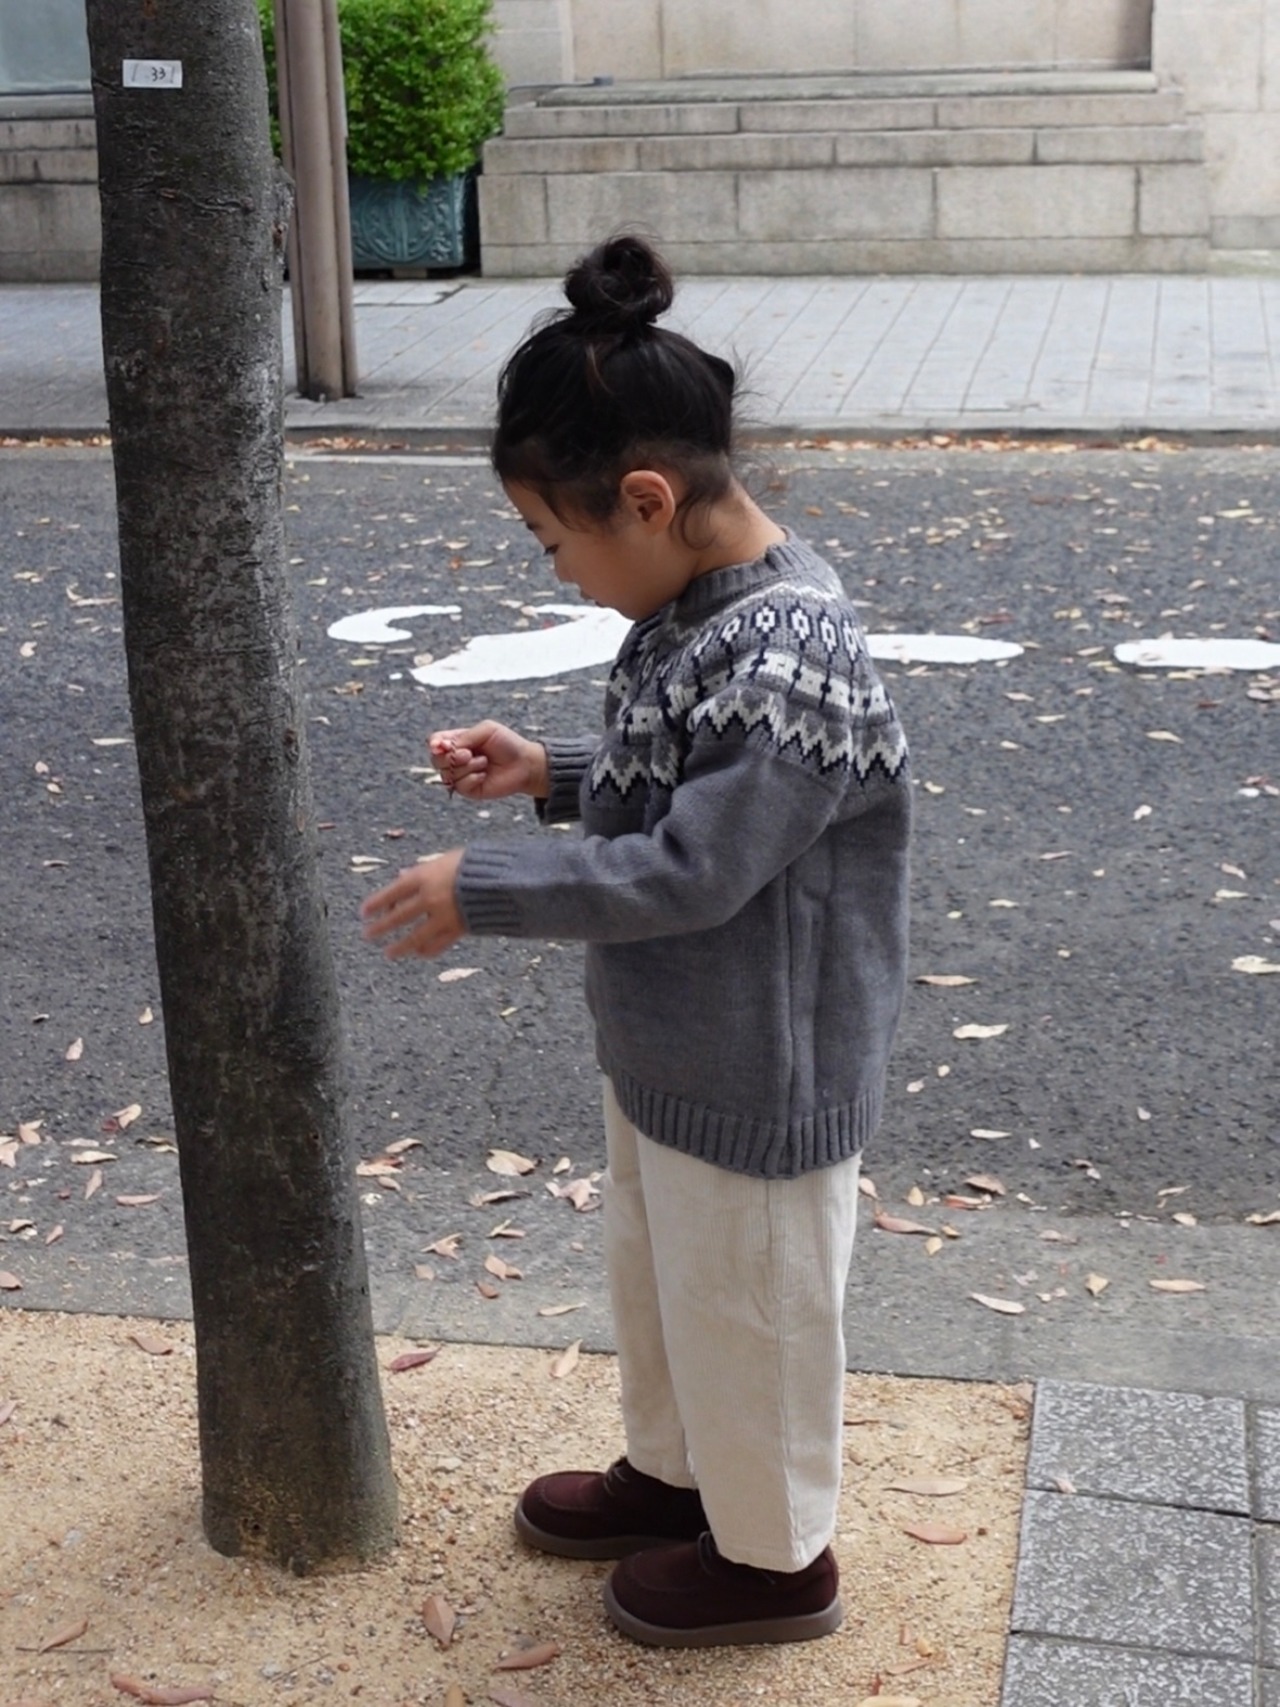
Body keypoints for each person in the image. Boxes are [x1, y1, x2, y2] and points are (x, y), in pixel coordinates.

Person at [360, 233, 912, 1650]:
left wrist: (485, 888)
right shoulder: (693, 611)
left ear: (649, 500)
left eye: (556, 543)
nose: (560, 573)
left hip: (762, 1068)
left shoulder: (791, 649)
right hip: (676, 1043)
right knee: (667, 1281)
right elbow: (676, 779)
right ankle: (677, 1477)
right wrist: (550, 770)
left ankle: (776, 1558)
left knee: (754, 1308)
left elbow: (696, 866)